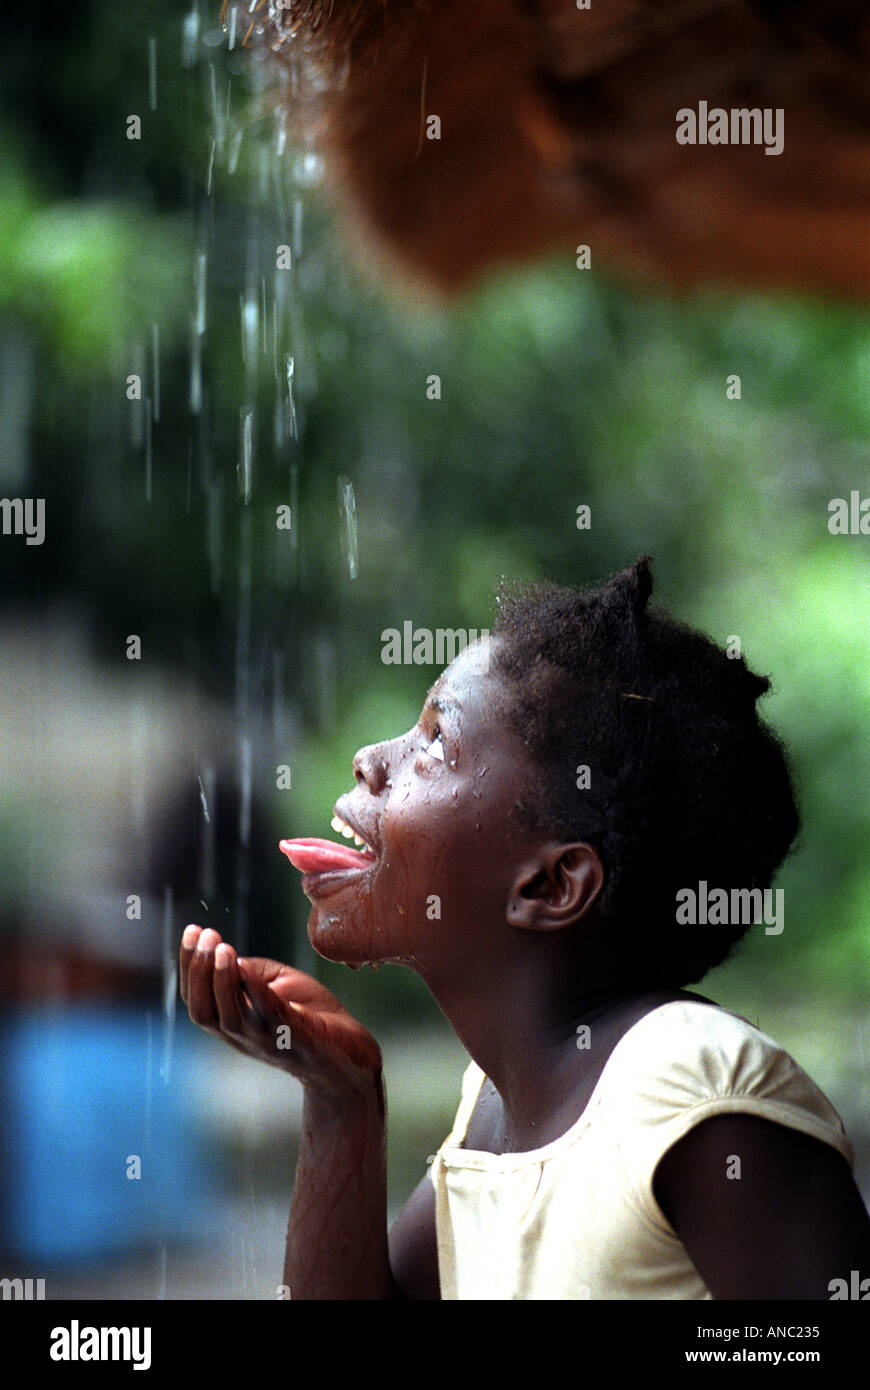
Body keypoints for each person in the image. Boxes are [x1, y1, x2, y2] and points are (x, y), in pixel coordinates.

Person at [180, 557, 870, 1299]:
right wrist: (341, 1096)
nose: (371, 760)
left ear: (549, 885)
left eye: (437, 744)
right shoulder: (500, 1105)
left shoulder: (692, 1083)